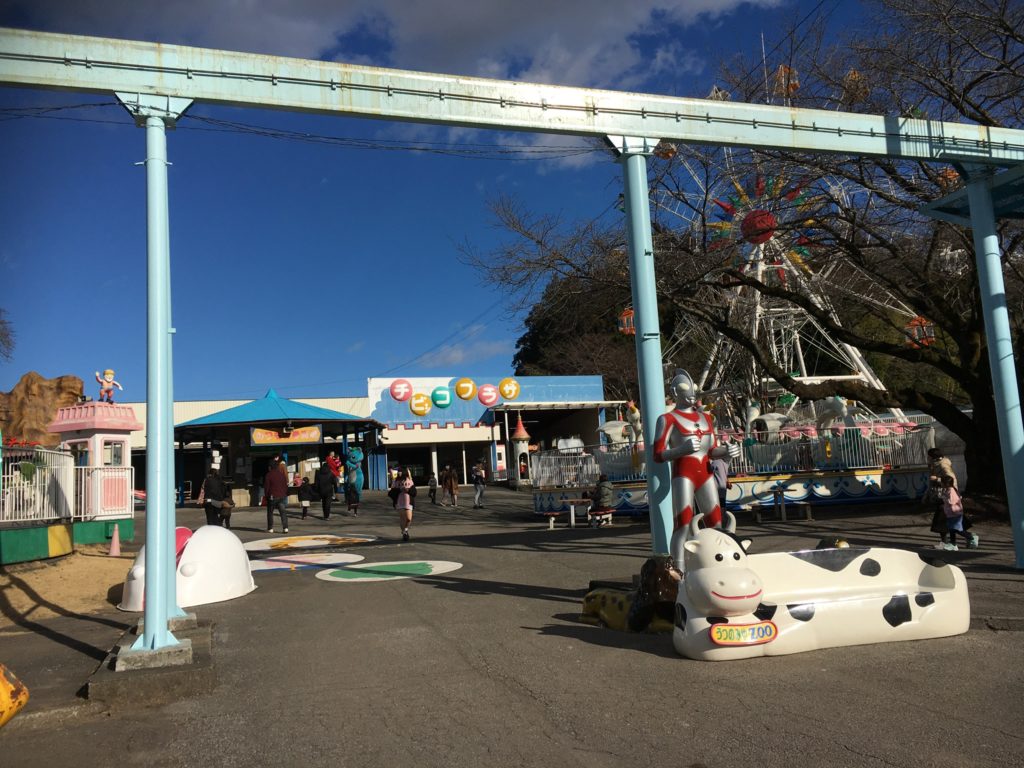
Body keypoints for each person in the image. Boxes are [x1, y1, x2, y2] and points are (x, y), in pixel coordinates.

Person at [652, 368, 741, 566]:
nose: (691, 393)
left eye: (693, 388)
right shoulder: (667, 419)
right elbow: (657, 455)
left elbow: (711, 451)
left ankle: (718, 565)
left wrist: (728, 451)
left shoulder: (706, 418)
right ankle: (679, 569)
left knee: (716, 522)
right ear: (675, 392)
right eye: (685, 388)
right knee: (683, 523)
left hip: (705, 473)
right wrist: (680, 450)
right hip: (683, 475)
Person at [938, 475, 976, 551]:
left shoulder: (951, 490)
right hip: (950, 514)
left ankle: (971, 536)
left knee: (957, 529)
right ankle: (953, 544)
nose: (941, 483)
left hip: (955, 513)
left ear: (946, 483)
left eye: (942, 482)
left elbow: (951, 501)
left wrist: (942, 497)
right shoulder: (948, 489)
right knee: (952, 529)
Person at [264, 458, 289, 533]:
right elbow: (285, 485)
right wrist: (284, 493)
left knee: (270, 512)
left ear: (270, 467)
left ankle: (270, 528)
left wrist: (267, 496)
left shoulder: (269, 475)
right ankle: (285, 528)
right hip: (281, 496)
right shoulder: (281, 475)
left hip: (272, 496)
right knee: (283, 512)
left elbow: (267, 487)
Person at [392, 467, 416, 541]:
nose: (399, 473)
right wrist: (399, 490)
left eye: (400, 471)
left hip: (408, 501)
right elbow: (391, 492)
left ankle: (405, 529)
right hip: (399, 501)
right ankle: (404, 533)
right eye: (398, 471)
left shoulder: (410, 480)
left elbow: (414, 492)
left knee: (409, 518)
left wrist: (408, 490)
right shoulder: (395, 481)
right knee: (402, 518)